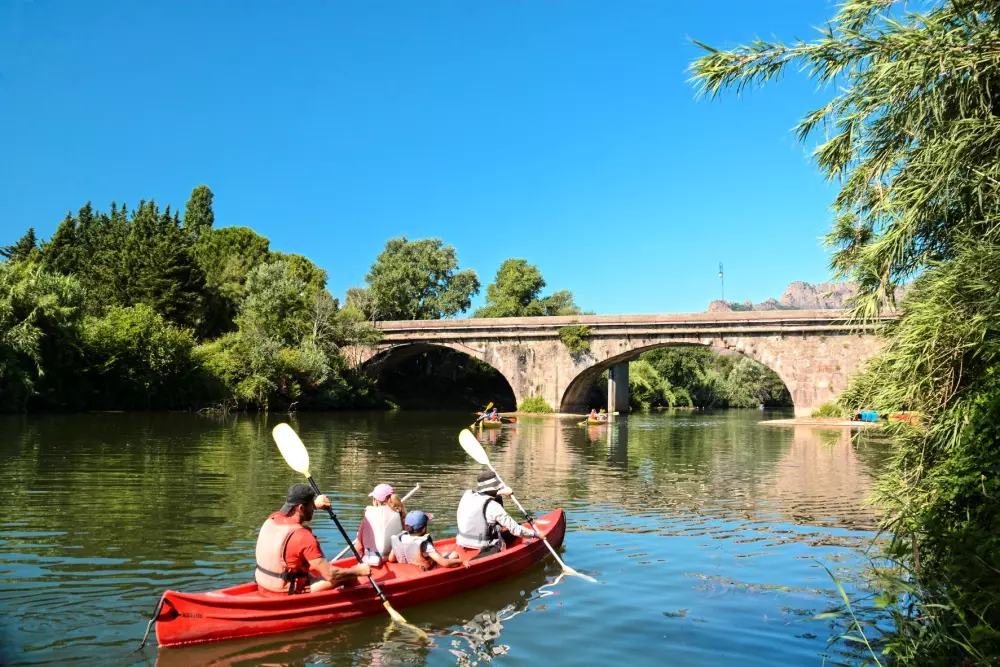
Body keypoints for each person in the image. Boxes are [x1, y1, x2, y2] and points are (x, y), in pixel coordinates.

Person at [255, 483, 370, 595]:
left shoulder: (272, 518)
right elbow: (331, 574)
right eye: (311, 506)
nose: (313, 510)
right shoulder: (304, 537)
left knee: (304, 568)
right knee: (347, 576)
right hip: (286, 592)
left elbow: (294, 510)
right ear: (301, 508)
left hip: (264, 585)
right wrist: (359, 571)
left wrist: (314, 504)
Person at [456, 470, 543, 559]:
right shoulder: (494, 506)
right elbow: (515, 529)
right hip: (484, 545)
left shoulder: (467, 495)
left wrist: (500, 492)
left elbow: (485, 494)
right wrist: (535, 535)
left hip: (462, 541)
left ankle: (456, 554)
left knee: (508, 531)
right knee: (514, 531)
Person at [388, 510, 467, 570]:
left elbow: (391, 559)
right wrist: (461, 561)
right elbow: (445, 563)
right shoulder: (425, 545)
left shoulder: (400, 538)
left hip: (408, 569)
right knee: (455, 554)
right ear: (424, 528)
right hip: (426, 569)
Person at [352, 484, 404, 566]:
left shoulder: (367, 518)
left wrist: (358, 559)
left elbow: (359, 547)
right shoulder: (400, 515)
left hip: (371, 560)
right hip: (393, 559)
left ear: (375, 500)